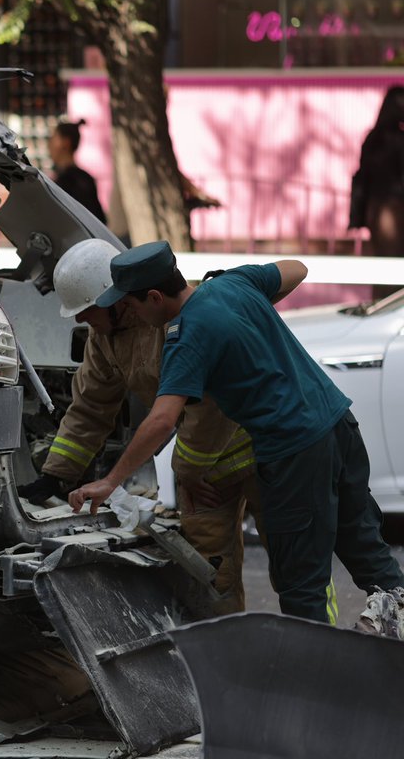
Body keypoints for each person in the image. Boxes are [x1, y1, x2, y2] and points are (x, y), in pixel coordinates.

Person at [69, 242, 404, 623]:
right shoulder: (234, 284)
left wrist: (111, 481)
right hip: (340, 426)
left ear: (155, 297)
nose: (132, 314)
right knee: (367, 551)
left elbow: (162, 420)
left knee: (301, 586)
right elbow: (297, 268)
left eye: (132, 305)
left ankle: (312, 677)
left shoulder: (185, 336)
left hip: (294, 453)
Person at [16, 238, 262, 615]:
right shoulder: (104, 338)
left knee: (295, 564)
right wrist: (55, 474)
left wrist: (189, 472)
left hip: (262, 454)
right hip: (205, 470)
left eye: (85, 310)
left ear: (114, 300)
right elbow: (91, 408)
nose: (80, 320)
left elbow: (206, 408)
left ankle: (320, 651)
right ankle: (228, 660)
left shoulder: (176, 315)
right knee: (211, 576)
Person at [350, 86, 404, 298]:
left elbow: (363, 176)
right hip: (393, 208)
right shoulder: (395, 139)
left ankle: (383, 305)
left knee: (384, 261)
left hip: (377, 208)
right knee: (393, 262)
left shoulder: (373, 138)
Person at [48, 120, 107, 225]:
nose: (50, 144)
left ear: (65, 143)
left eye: (54, 138)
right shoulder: (84, 177)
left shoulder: (70, 180)